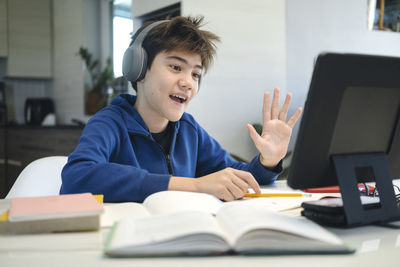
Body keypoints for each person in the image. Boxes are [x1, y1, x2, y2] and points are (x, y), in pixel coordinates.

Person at [60, 16, 302, 202]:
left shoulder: (189, 130)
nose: (188, 82)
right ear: (139, 69)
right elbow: (77, 178)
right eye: (176, 67)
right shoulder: (109, 123)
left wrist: (268, 161)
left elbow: (239, 178)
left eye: (196, 74)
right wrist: (193, 185)